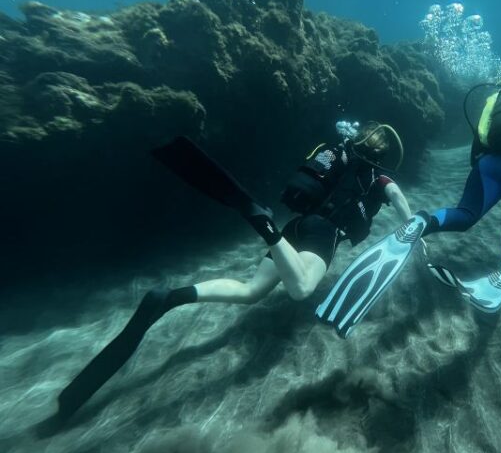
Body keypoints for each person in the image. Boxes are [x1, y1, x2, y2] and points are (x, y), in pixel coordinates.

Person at [57, 121, 413, 419]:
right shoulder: (378, 176)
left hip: (297, 226)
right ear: (384, 154)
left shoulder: (341, 154)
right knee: (302, 288)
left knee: (250, 291)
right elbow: (397, 198)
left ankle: (171, 297)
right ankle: (264, 226)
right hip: (323, 233)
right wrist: (414, 228)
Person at [316, 75, 501, 337]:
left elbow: (475, 155)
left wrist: (490, 175)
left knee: (465, 214)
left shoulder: (493, 113)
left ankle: (421, 222)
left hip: (489, 165)